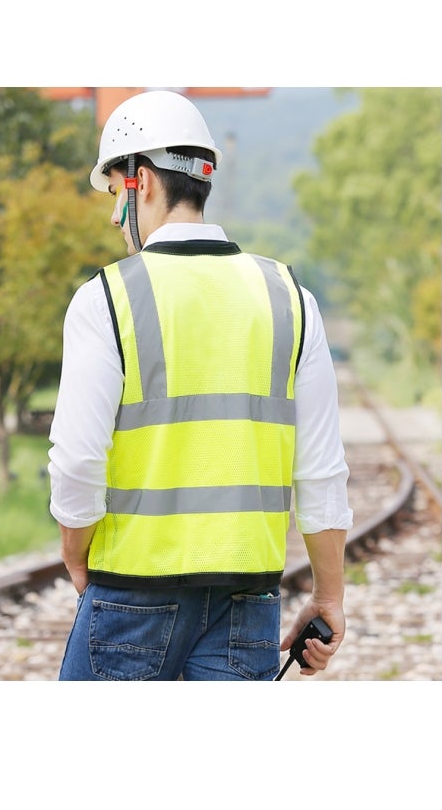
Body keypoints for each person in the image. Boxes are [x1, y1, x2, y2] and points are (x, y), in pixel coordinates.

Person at [47, 89, 352, 681]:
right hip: (248, 600)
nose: (115, 218)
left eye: (115, 193)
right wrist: (329, 595)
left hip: (132, 592)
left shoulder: (106, 298)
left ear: (141, 181)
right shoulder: (291, 299)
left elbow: (78, 460)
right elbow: (321, 471)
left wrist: (74, 554)